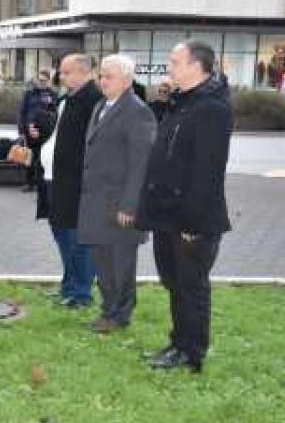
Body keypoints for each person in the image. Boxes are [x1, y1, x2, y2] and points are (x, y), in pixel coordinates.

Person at [136, 40, 233, 373]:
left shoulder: (212, 109)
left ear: (196, 66)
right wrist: (164, 103)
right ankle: (178, 343)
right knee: (175, 283)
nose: (169, 68)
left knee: (191, 287)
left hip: (193, 220)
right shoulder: (182, 103)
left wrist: (193, 223)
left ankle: (192, 353)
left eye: (175, 62)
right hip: (168, 215)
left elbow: (208, 171)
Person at [76, 54, 157, 333]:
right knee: (103, 262)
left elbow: (141, 164)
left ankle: (120, 315)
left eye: (108, 76)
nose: (102, 81)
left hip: (121, 206)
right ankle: (108, 310)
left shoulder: (137, 111)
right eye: (101, 75)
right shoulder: (101, 105)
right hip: (97, 202)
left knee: (121, 264)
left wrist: (130, 205)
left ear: (126, 79)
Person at [46, 54, 103, 308]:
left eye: (67, 72)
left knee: (78, 240)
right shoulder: (68, 98)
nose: (61, 76)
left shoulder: (93, 101)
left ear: (83, 72)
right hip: (56, 178)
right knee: (62, 235)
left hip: (77, 182)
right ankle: (68, 286)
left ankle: (81, 293)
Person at [18, 70, 57, 193]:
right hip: (31, 129)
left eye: (45, 80)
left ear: (49, 81)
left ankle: (42, 182)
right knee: (29, 157)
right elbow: (22, 112)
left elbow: (56, 112)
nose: (42, 83)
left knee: (44, 157)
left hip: (46, 131)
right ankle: (28, 182)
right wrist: (22, 130)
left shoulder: (53, 94)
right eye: (40, 80)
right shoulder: (29, 94)